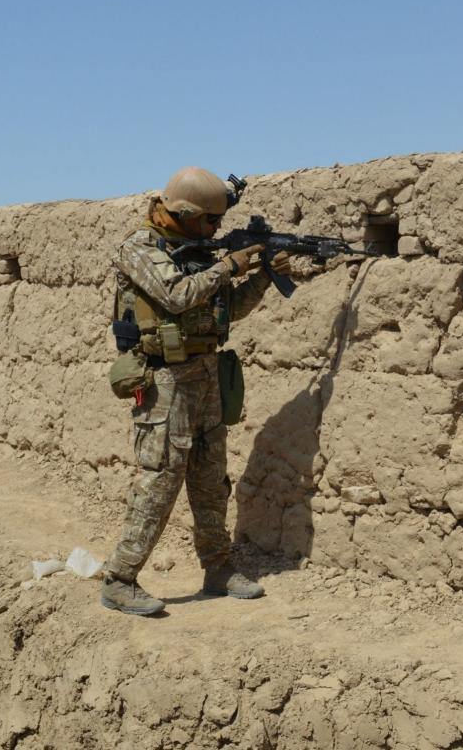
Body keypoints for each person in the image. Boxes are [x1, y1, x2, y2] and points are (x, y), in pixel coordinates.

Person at [100, 166, 291, 616]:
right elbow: (177, 294)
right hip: (163, 381)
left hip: (205, 375)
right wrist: (230, 265)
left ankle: (218, 569)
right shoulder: (140, 249)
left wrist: (263, 275)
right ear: (182, 214)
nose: (215, 230)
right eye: (209, 222)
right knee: (161, 481)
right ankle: (120, 578)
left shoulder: (198, 253)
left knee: (211, 480)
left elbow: (225, 313)